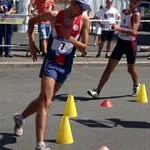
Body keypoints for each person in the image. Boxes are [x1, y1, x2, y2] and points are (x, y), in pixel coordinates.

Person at [13, 0, 91, 150]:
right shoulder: (54, 15)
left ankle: (20, 117)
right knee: (46, 101)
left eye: (84, 9)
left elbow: (84, 48)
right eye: (80, 8)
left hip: (65, 66)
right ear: (73, 3)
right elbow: (32, 21)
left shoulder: (84, 20)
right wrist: (31, 42)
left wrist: (70, 38)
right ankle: (40, 144)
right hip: (52, 63)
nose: (81, 12)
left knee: (44, 98)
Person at [87, 0, 141, 98]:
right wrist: (116, 26)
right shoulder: (124, 11)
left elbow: (134, 32)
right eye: (131, 1)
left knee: (130, 69)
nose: (132, 3)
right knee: (109, 68)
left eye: (135, 2)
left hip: (130, 44)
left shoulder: (136, 14)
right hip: (121, 42)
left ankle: (136, 85)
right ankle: (97, 91)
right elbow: (121, 23)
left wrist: (118, 28)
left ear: (138, 3)